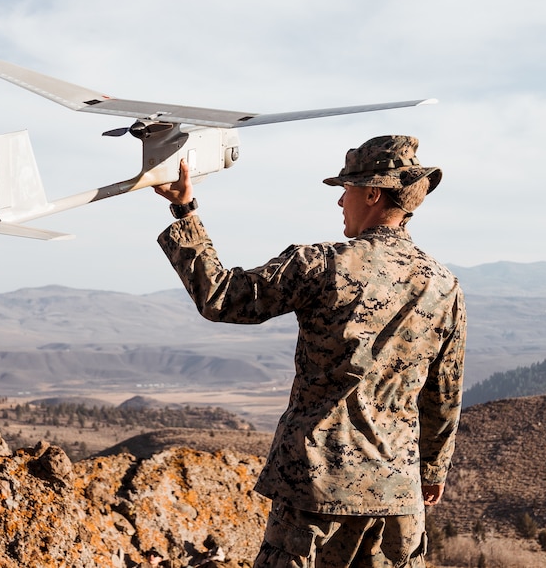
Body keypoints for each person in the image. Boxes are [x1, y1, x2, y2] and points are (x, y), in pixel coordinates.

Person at [152, 135, 466, 568]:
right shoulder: (445, 286)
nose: (340, 203)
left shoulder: (324, 264)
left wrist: (185, 211)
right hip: (398, 498)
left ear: (372, 193)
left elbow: (222, 297)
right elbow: (443, 393)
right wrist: (430, 472)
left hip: (317, 493)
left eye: (346, 190)